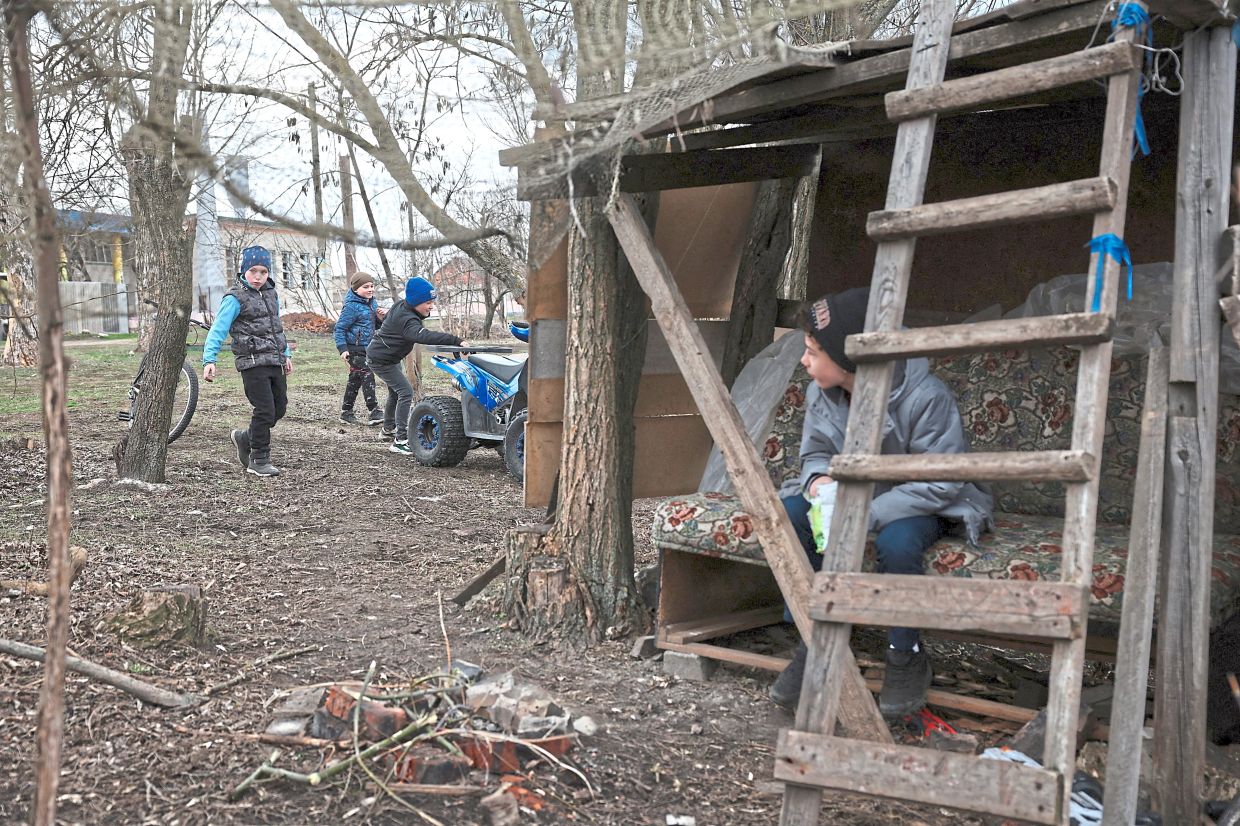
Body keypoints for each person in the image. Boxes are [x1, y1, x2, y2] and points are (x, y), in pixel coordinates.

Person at [767, 287, 993, 717]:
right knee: (794, 511)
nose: (803, 360)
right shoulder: (824, 391)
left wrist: (863, 514)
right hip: (856, 497)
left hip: (924, 500)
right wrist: (816, 481)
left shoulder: (925, 396)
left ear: (849, 357)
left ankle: (904, 654)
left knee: (898, 543)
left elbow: (941, 482)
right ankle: (817, 641)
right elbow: (814, 453)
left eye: (813, 351)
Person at [202, 245, 293, 478]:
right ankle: (258, 458)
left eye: (263, 272)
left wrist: (286, 355)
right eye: (253, 271)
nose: (258, 276)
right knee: (264, 410)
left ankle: (244, 438)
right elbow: (218, 329)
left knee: (279, 408)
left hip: (274, 360)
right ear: (244, 270)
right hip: (251, 362)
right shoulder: (235, 298)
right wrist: (209, 359)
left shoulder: (271, 293)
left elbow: (277, 328)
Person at [366, 276, 467, 454]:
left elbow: (391, 318)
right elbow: (423, 336)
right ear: (415, 301)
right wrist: (455, 340)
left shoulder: (402, 306)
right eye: (427, 302)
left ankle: (388, 429)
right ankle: (400, 440)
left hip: (387, 357)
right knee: (405, 392)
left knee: (396, 392)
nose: (431, 306)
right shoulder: (408, 320)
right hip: (381, 360)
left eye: (432, 302)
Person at [334, 271, 384, 426]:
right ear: (356, 289)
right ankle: (374, 411)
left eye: (372, 286)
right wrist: (343, 349)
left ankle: (346, 412)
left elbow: (374, 325)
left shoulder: (372, 303)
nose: (370, 289)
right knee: (367, 375)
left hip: (367, 347)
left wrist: (380, 319)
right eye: (365, 287)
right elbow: (339, 329)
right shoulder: (351, 307)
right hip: (354, 348)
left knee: (355, 379)